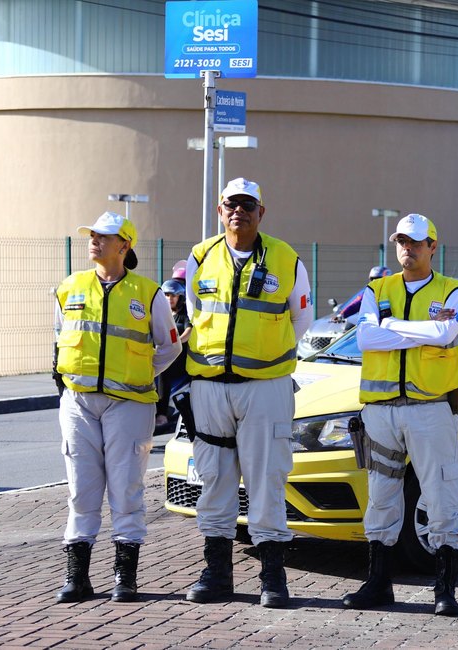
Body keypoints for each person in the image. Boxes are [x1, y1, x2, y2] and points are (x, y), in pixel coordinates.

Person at [183, 178, 313, 609]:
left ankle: (273, 579)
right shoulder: (201, 256)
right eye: (230, 204)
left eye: (247, 204)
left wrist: (263, 357)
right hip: (210, 386)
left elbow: (301, 320)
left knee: (267, 480)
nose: (238, 211)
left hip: (265, 388)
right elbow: (194, 313)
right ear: (220, 211)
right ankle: (217, 573)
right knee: (214, 480)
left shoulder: (286, 258)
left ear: (262, 212)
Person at [343, 214, 458, 616]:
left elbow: (446, 334)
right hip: (381, 411)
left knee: (442, 494)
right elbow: (365, 337)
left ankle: (445, 588)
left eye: (415, 242)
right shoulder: (376, 288)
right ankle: (379, 583)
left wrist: (391, 326)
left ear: (433, 245)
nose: (407, 249)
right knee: (381, 497)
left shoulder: (455, 290)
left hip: (431, 409)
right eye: (401, 241)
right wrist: (418, 328)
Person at [53, 211, 181, 603]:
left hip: (130, 404)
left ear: (124, 245)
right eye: (92, 235)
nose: (94, 241)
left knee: (126, 490)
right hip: (78, 401)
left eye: (104, 236)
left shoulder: (148, 293)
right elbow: (60, 338)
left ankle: (125, 579)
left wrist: (139, 373)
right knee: (81, 490)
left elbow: (170, 345)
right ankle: (78, 578)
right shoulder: (69, 287)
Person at [155, 268, 191, 431]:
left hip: (181, 356)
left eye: (173, 296)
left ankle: (162, 413)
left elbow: (188, 331)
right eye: (167, 295)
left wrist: (176, 342)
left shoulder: (185, 314)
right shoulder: (163, 313)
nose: (169, 299)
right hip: (165, 352)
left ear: (180, 297)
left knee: (163, 372)